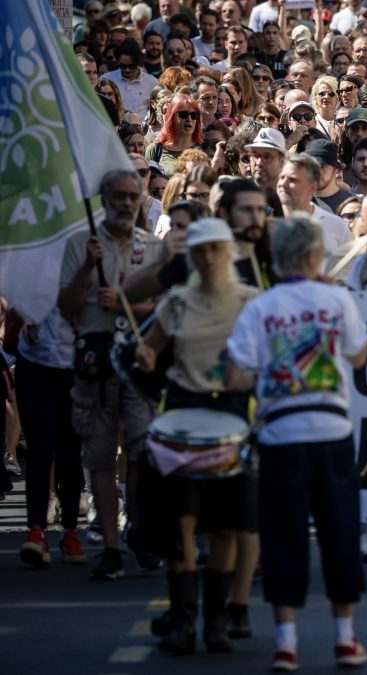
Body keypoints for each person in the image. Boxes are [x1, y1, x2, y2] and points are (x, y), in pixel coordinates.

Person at [224, 215, 367, 671]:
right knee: (339, 531)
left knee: (283, 534)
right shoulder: (335, 299)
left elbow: (236, 376)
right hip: (331, 433)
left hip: (280, 435)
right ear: (313, 256)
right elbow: (358, 354)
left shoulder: (260, 307)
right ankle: (345, 637)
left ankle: (285, 642)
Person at [135, 219, 259, 655]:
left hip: (230, 414)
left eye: (215, 250)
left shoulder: (250, 301)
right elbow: (149, 352)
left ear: (229, 253)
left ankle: (217, 622)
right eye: (200, 250)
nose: (207, 258)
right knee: (178, 525)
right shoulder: (176, 304)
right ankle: (183, 622)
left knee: (225, 527)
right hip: (183, 413)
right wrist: (146, 354)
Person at [58, 168, 164, 581]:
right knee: (100, 458)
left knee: (141, 452)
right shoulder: (81, 246)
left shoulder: (151, 248)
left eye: (131, 196)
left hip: (136, 365)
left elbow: (160, 308)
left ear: (140, 201)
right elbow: (66, 308)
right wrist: (87, 267)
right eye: (116, 196)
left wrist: (121, 303)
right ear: (104, 200)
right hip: (94, 366)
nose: (124, 203)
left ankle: (138, 529)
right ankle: (111, 546)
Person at [16, 302, 84, 569]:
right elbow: (12, 292)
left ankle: (70, 532)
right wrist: (19, 311)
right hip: (34, 359)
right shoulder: (33, 260)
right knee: (40, 448)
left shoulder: (82, 261)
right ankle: (36, 531)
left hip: (73, 361)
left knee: (70, 449)